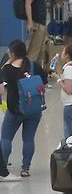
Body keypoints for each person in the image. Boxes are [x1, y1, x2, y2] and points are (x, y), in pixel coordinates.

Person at [0, 39, 47, 178]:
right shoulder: (34, 66)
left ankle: (3, 167)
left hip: (15, 109)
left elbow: (2, 87)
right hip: (34, 109)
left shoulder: (7, 69)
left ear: (13, 53)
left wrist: (6, 64)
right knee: (28, 138)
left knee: (6, 138)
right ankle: (25, 168)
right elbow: (43, 83)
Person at [24, 0, 51, 66]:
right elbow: (28, 3)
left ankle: (38, 73)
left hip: (41, 22)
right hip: (37, 23)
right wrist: (30, 22)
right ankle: (28, 73)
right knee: (33, 52)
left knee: (40, 51)